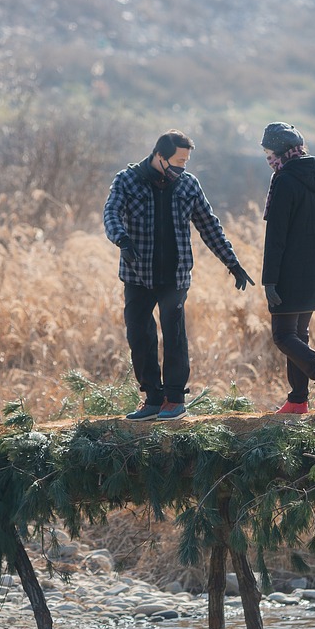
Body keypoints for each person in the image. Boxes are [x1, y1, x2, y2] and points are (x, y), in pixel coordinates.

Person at [103, 129, 255, 421]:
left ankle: (174, 399)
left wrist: (232, 263)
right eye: (178, 161)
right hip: (137, 274)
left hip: (175, 275)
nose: (182, 167)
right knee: (139, 335)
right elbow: (111, 212)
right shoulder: (127, 180)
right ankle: (152, 399)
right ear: (159, 157)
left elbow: (209, 226)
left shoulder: (188, 185)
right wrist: (121, 239)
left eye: (186, 161)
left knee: (174, 336)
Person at [258, 122, 315, 414]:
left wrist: (269, 281)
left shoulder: (284, 181)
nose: (269, 159)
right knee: (299, 334)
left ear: (283, 152)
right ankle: (297, 401)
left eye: (270, 152)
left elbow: (276, 237)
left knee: (283, 335)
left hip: (290, 273)